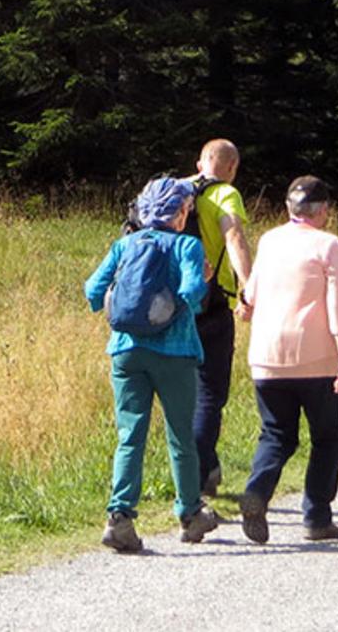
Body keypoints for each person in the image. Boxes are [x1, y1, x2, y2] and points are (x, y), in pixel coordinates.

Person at [84, 177, 223, 552]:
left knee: (130, 437)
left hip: (126, 351)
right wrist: (188, 297)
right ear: (179, 211)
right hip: (175, 354)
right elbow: (193, 292)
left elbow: (92, 292)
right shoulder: (187, 245)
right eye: (185, 210)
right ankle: (190, 514)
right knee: (180, 437)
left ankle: (120, 518)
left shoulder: (124, 245)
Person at [234, 176, 338, 544]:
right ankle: (317, 517)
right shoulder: (329, 245)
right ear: (325, 211)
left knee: (276, 434)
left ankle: (257, 491)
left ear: (289, 208)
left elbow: (248, 298)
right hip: (316, 358)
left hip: (267, 357)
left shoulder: (269, 240)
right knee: (327, 438)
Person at [185, 139, 253, 495]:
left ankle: (206, 468)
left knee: (181, 395)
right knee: (210, 394)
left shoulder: (173, 192)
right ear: (231, 168)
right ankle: (196, 477)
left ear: (200, 164)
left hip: (168, 312)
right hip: (210, 307)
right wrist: (248, 287)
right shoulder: (226, 194)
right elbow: (235, 238)